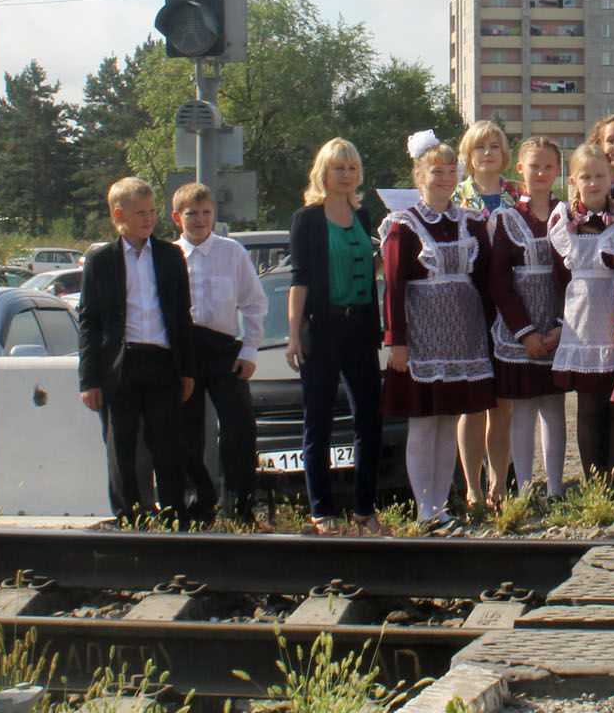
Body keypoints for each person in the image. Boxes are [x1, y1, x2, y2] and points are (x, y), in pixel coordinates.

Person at [381, 131, 496, 530]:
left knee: (449, 421)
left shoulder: (470, 222)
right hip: (423, 337)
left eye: (451, 171)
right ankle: (423, 507)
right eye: (436, 172)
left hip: (463, 336)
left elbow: (484, 281)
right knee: (423, 423)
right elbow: (393, 286)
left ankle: (442, 506)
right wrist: (397, 341)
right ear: (419, 175)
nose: (445, 179)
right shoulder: (403, 226)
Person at [78, 177, 197, 524]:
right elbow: (89, 323)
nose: (148, 219)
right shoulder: (101, 261)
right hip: (120, 364)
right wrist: (89, 380)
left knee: (167, 443)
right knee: (121, 445)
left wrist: (186, 369)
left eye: (152, 212)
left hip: (161, 360)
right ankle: (129, 514)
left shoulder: (170, 256)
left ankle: (175, 514)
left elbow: (182, 315)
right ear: (120, 215)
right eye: (140, 213)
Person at [286, 138, 385, 535]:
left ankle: (364, 508)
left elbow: (368, 266)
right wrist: (293, 335)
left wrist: (387, 256)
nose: (346, 175)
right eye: (338, 168)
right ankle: (322, 510)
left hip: (359, 327)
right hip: (322, 328)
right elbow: (300, 279)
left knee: (370, 420)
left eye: (352, 168)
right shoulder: (307, 219)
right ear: (322, 173)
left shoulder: (362, 217)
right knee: (319, 422)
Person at [172, 182, 266, 526]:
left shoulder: (232, 252)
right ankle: (199, 504)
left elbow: (255, 302)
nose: (200, 220)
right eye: (192, 214)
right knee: (188, 433)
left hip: (224, 347)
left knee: (240, 426)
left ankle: (239, 507)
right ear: (177, 218)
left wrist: (250, 348)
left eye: (206, 212)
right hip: (185, 350)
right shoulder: (170, 256)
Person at [487, 138, 568, 497]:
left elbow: (573, 276)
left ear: (558, 170)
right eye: (534, 166)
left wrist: (561, 327)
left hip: (558, 325)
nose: (541, 173)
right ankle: (522, 488)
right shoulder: (506, 219)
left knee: (553, 408)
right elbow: (500, 283)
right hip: (518, 332)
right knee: (521, 413)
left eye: (548, 166)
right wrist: (526, 333)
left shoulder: (567, 216)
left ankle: (554, 488)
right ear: (520, 169)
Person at [550, 143, 614, 481]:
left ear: (610, 177)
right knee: (587, 407)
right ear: (573, 180)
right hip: (582, 322)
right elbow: (558, 277)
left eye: (600, 175)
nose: (593, 182)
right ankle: (593, 481)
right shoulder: (564, 221)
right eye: (585, 176)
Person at [452, 120, 517, 507]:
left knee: (504, 403)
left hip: (508, 302)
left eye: (494, 146)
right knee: (474, 402)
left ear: (505, 154)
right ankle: (472, 489)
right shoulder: (456, 196)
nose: (488, 153)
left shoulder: (518, 195)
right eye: (480, 148)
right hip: (470, 302)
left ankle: (501, 486)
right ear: (469, 155)